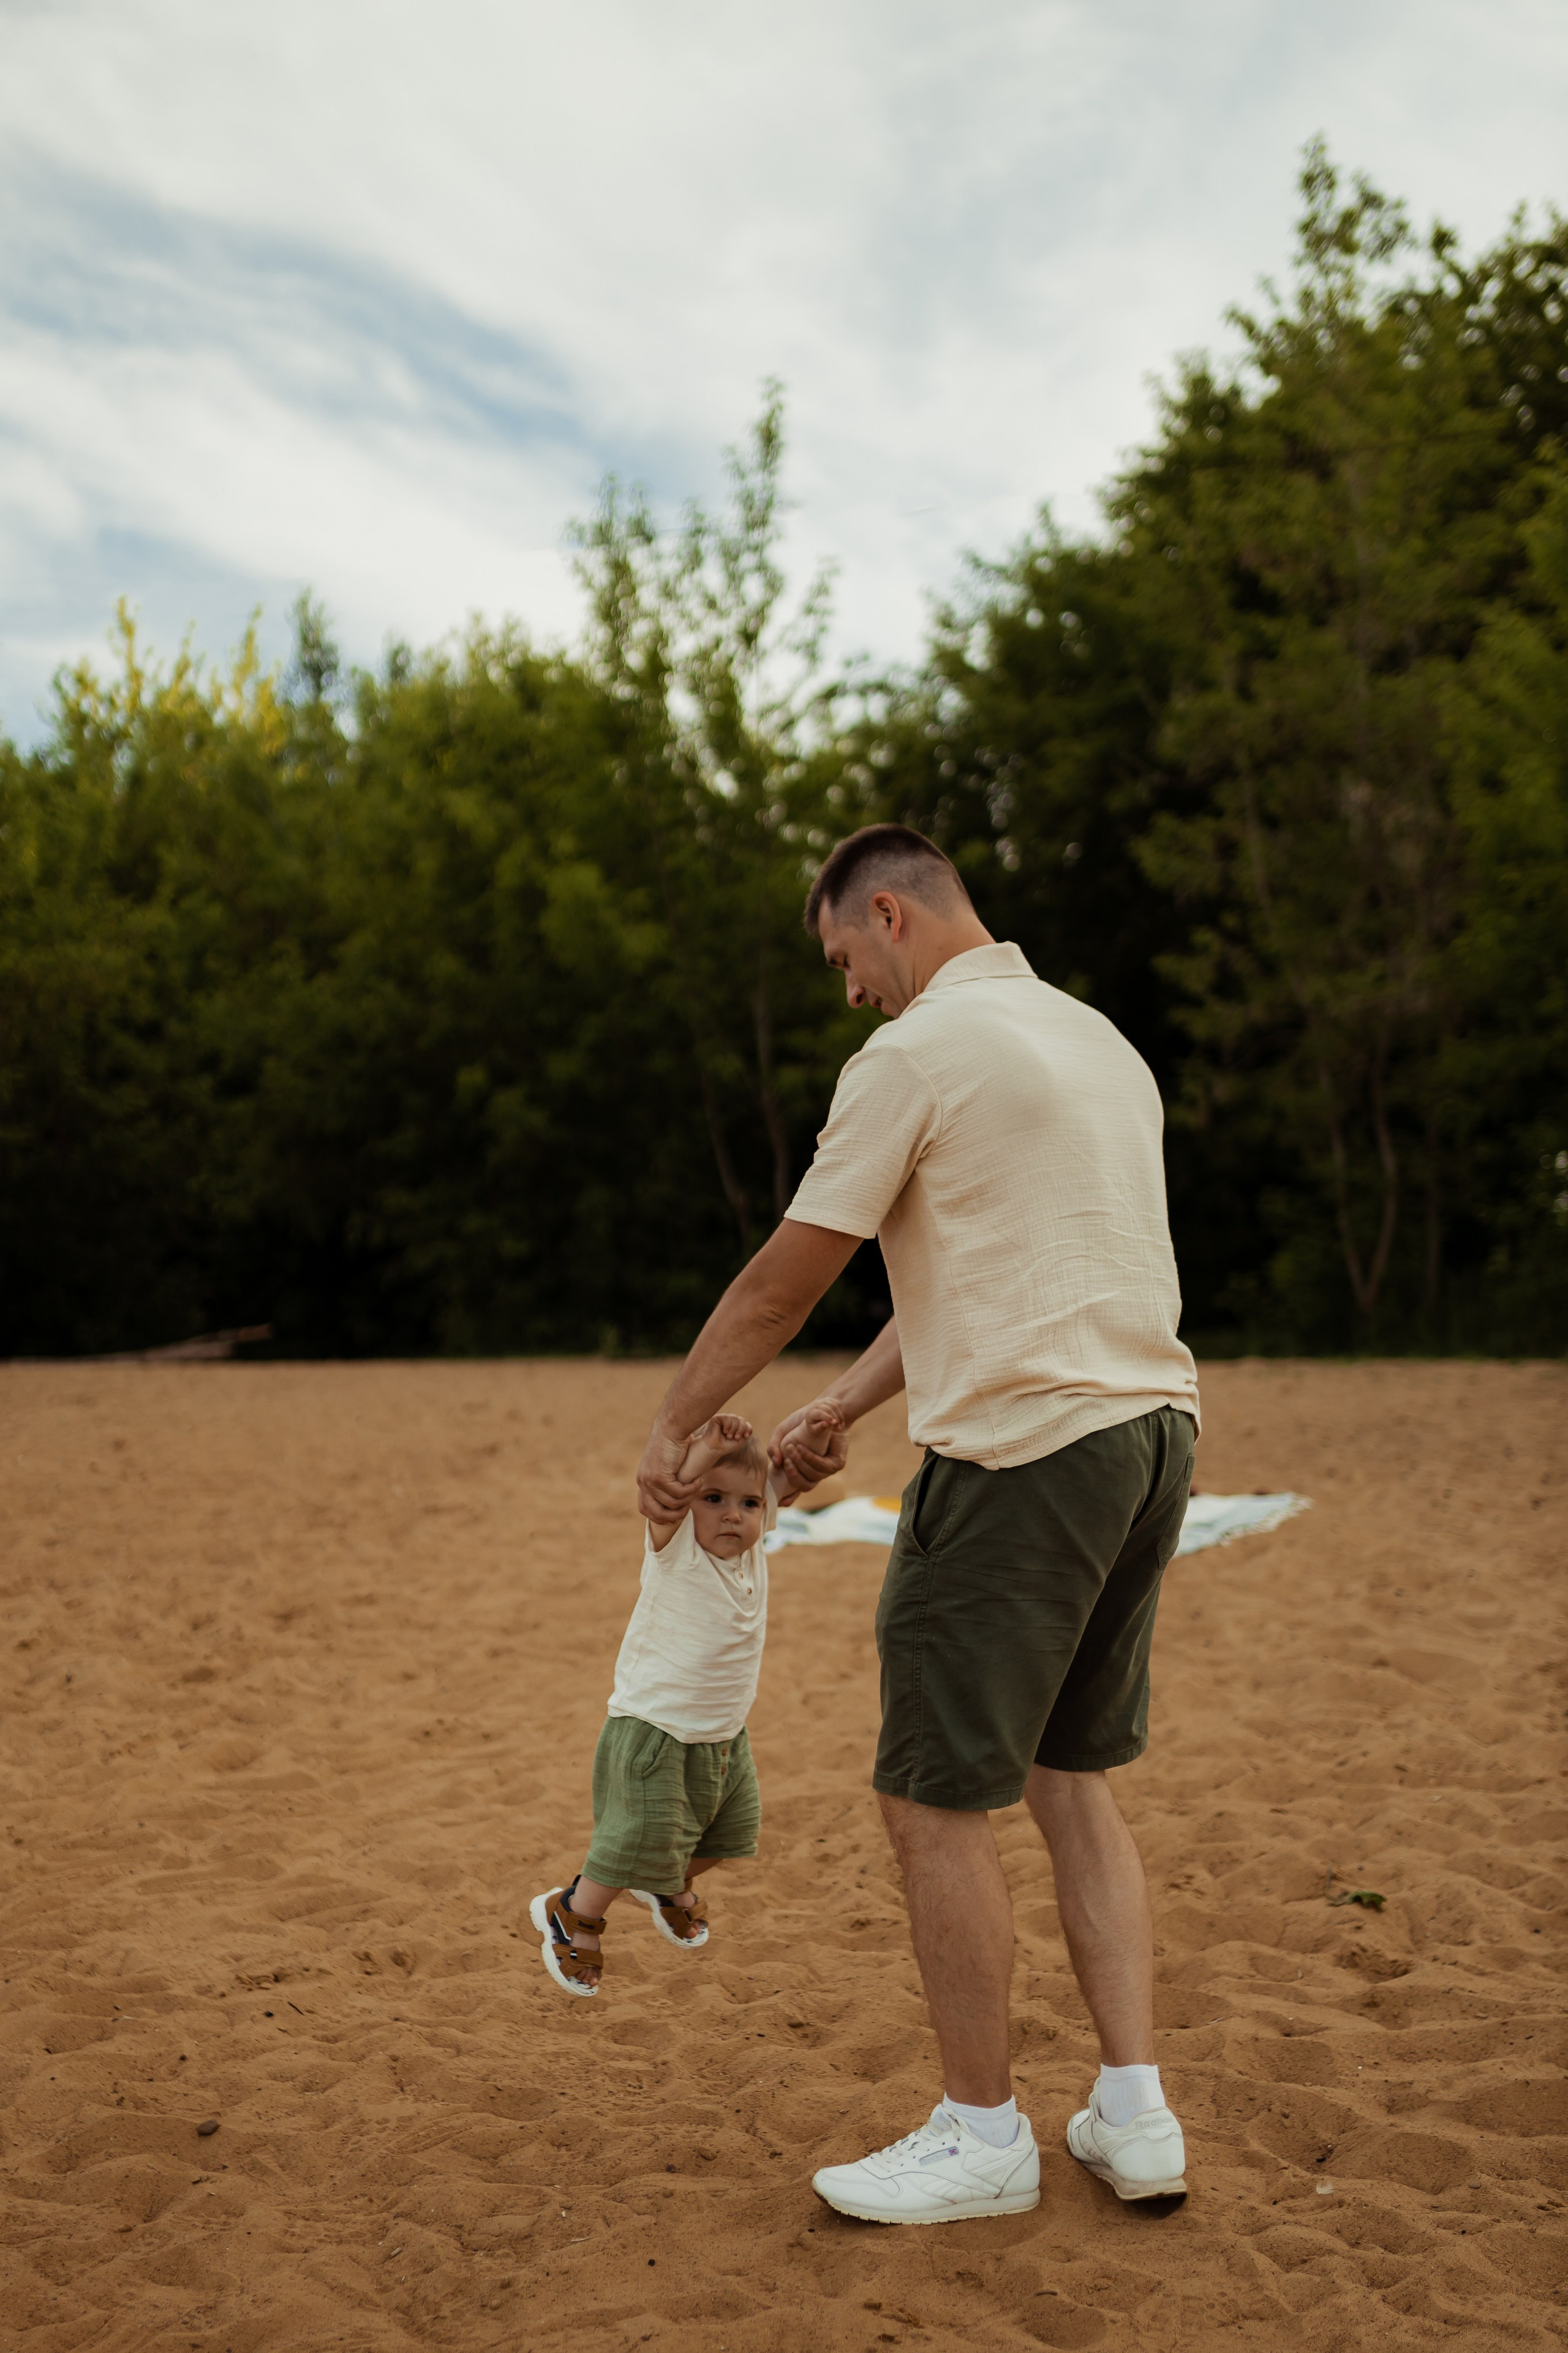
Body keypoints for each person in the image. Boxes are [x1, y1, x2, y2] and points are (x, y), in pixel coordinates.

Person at [636, 822, 1200, 2226]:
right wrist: (839, 1403)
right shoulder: (1088, 1039)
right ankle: (1133, 2116)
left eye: (841, 958)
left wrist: (671, 1423)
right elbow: (1005, 1269)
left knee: (927, 1794)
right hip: (1149, 1436)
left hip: (1020, 1459)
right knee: (1068, 1773)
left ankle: (981, 2132)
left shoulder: (913, 1055)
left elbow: (788, 1270)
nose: (847, 993)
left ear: (885, 914)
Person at [531, 1406, 840, 1995]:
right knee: (632, 1838)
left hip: (722, 1731)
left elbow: (787, 1479)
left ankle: (664, 1884)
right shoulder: (675, 1548)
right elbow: (673, 1490)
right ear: (687, 1503)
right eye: (713, 1498)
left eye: (748, 1505)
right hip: (655, 1727)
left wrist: (819, 1429)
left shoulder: (751, 1547)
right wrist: (703, 1449)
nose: (733, 1515)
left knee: (730, 1833)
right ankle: (574, 1914)